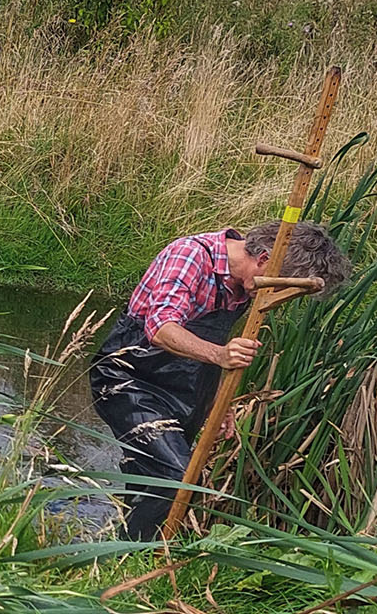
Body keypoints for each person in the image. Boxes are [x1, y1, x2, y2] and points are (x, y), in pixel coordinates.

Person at [90, 220, 350, 540]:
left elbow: (206, 340)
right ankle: (131, 553)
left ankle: (123, 562)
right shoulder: (190, 257)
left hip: (185, 389)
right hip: (129, 380)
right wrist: (220, 355)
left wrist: (217, 401)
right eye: (281, 287)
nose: (277, 298)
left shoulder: (244, 283)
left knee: (148, 479)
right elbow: (161, 329)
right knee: (178, 475)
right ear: (265, 260)